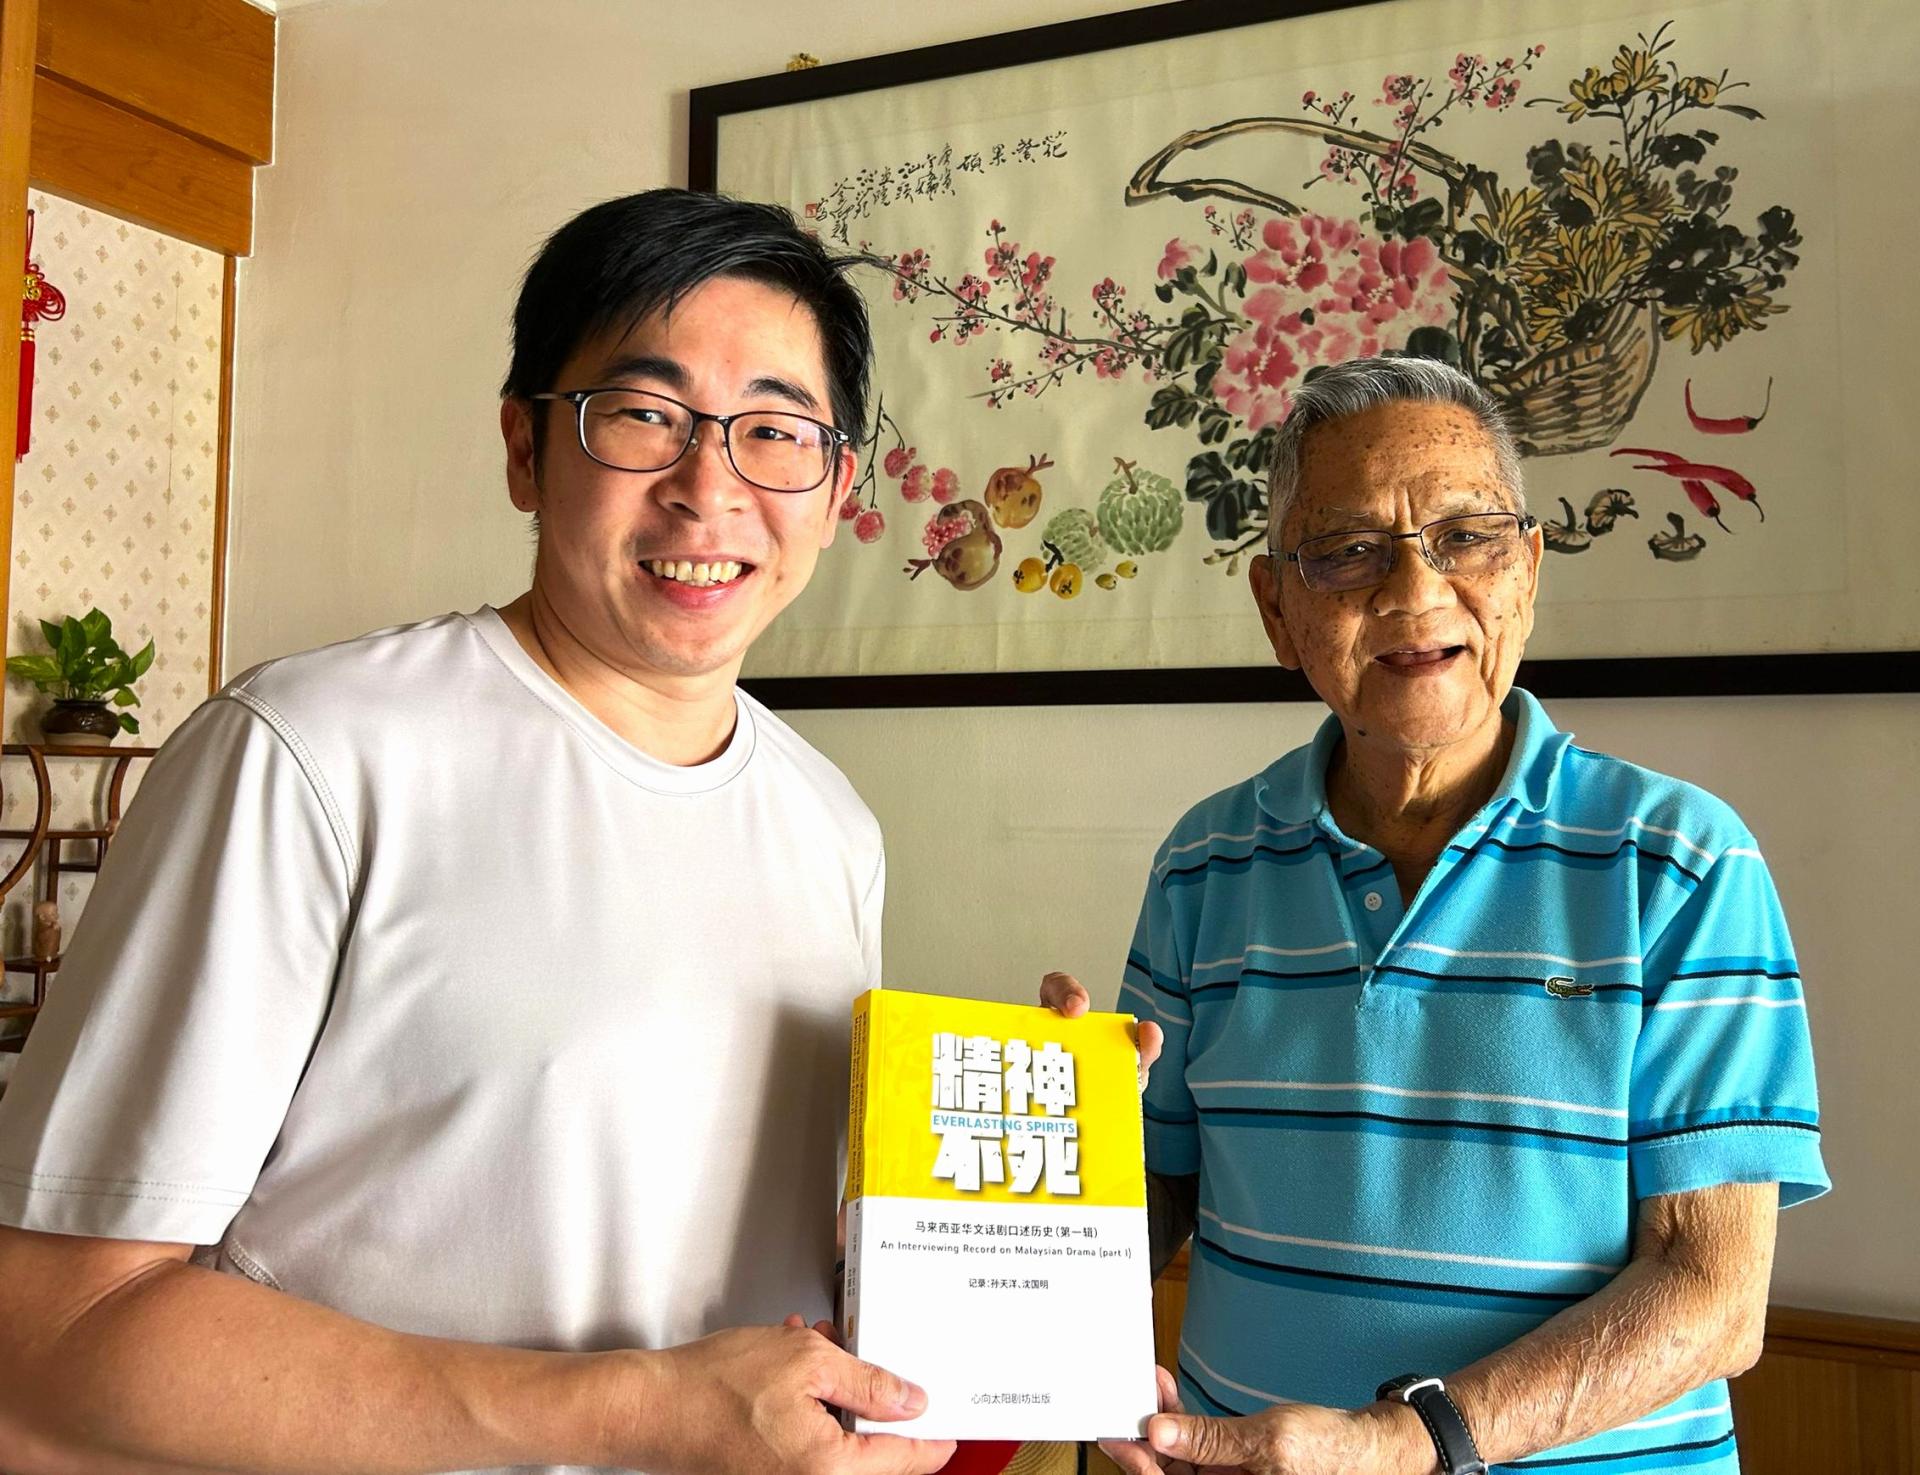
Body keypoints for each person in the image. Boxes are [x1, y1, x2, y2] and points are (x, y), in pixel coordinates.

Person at [0, 189, 954, 1475]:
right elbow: (53, 1333)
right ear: (524, 446)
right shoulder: (310, 755)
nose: (708, 488)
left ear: (837, 488)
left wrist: (1025, 1191)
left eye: (776, 431)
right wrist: (633, 1408)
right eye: (644, 414)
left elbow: (729, 1255)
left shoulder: (831, 823)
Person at [1049, 356, 1826, 1475]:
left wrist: (1407, 1440)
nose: (1415, 593)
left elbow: (1713, 1296)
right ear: (1277, 609)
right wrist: (1051, 1145)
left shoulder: (1680, 861)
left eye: (1466, 537)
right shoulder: (1203, 864)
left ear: (1528, 572)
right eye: (1348, 551)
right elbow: (1162, 1183)